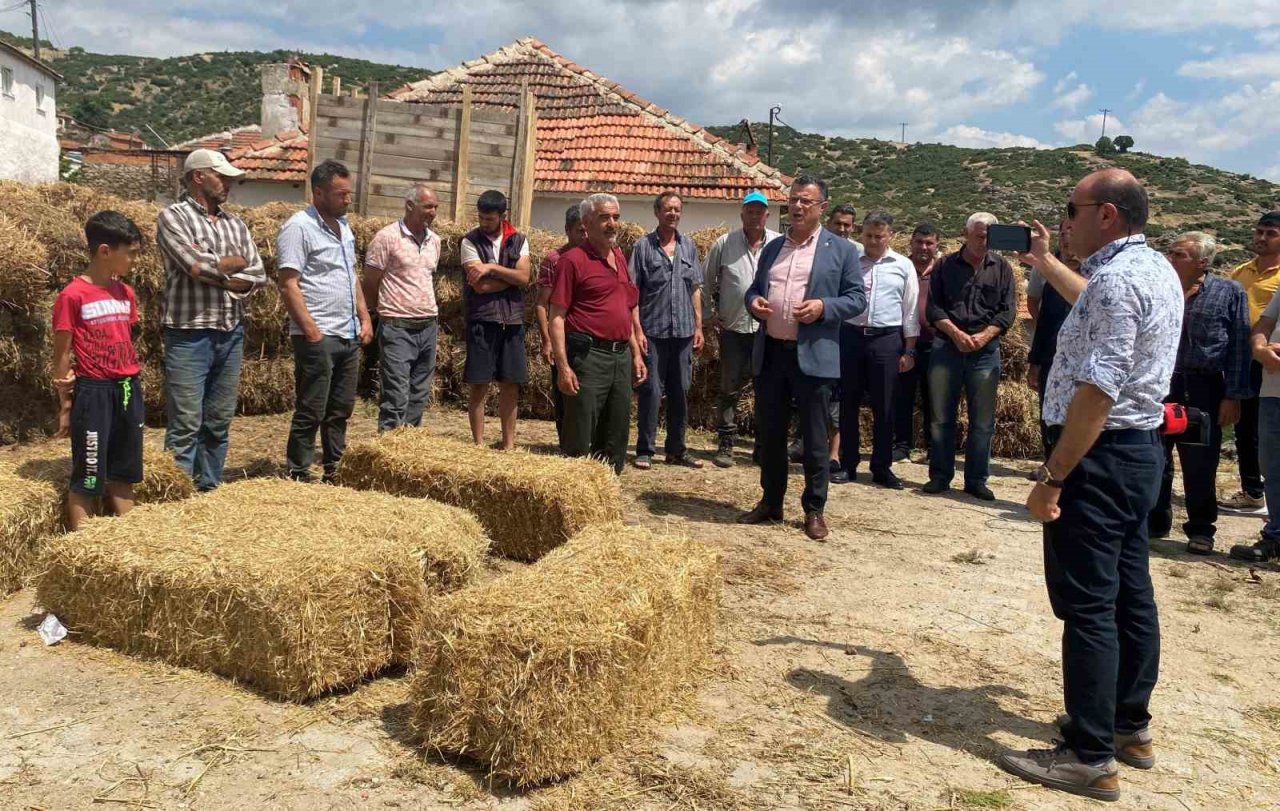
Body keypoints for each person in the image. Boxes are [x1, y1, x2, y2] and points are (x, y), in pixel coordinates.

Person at [1003, 168, 1183, 802]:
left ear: (1106, 214)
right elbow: (1094, 302)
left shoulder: (1117, 281)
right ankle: (1128, 726)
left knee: (1087, 607)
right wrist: (1045, 260)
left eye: (1071, 208)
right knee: (1130, 594)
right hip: (1138, 454)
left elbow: (1097, 391)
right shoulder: (1151, 268)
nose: (1064, 219)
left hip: (1097, 457)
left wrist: (1052, 476)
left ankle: (1089, 756)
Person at [738, 176, 866, 541]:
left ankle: (814, 509)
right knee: (771, 435)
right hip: (772, 353)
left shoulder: (841, 250)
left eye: (806, 201)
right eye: (794, 199)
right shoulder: (773, 247)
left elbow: (857, 299)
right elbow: (754, 289)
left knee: (814, 438)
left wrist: (823, 307)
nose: (797, 206)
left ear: (822, 207)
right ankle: (771, 502)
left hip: (813, 357)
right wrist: (753, 302)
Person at [155, 148, 266, 492]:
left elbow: (258, 273)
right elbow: (194, 265)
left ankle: (208, 489)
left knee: (218, 421)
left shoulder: (236, 224)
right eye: (222, 176)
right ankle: (176, 495)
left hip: (230, 331)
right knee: (186, 424)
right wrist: (229, 266)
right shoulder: (172, 217)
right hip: (189, 333)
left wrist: (215, 270)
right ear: (198, 176)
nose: (228, 183)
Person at [1149, 232, 1249, 555]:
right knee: (1156, 454)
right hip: (1161, 384)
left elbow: (1239, 345)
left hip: (1204, 387)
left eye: (1178, 254)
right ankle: (1155, 521)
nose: (1170, 258)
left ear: (1202, 262)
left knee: (1200, 462)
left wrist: (1233, 395)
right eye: (1170, 252)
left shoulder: (1229, 292)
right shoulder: (1159, 287)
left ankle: (1201, 529)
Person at [277, 160, 373, 483]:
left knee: (341, 408)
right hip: (318, 333)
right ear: (318, 192)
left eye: (349, 193)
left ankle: (335, 468)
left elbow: (351, 276)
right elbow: (288, 284)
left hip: (347, 332)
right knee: (312, 407)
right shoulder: (298, 227)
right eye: (341, 194)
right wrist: (311, 331)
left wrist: (364, 317)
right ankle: (299, 470)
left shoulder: (344, 227)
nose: (348, 199)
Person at [51, 211, 145, 530]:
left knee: (124, 473)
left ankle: (130, 539)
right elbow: (61, 354)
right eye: (130, 253)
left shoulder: (126, 293)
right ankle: (83, 544)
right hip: (94, 392)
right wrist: (66, 405)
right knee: (88, 477)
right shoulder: (72, 296)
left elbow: (123, 339)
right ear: (105, 251)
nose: (135, 260)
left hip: (128, 387)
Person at [549, 193, 648, 474]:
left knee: (616, 434)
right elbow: (557, 317)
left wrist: (636, 354)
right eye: (604, 217)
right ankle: (574, 494)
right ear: (586, 222)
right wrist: (563, 367)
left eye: (616, 217)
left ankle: (609, 492)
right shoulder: (572, 261)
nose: (612, 223)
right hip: (588, 357)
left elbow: (625, 309)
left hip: (620, 357)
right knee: (580, 434)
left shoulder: (619, 256)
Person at [923, 212, 1017, 501]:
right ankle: (940, 476)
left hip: (984, 352)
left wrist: (983, 337)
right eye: (978, 236)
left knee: (983, 421)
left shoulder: (1002, 267)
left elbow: (1007, 311)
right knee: (941, 417)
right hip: (947, 349)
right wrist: (956, 334)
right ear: (965, 234)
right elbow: (933, 308)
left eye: (988, 236)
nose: (983, 241)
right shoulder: (945, 265)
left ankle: (976, 480)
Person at [834, 212, 918, 489]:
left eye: (878, 236)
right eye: (868, 235)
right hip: (851, 336)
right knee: (848, 403)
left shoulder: (903, 265)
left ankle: (881, 467)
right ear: (861, 233)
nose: (872, 241)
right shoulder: (850, 262)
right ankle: (848, 464)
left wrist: (909, 350)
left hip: (886, 339)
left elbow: (910, 310)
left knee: (885, 405)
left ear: (890, 235)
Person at [704, 190, 780, 467]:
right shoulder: (724, 243)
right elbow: (704, 280)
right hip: (734, 329)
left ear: (767, 216)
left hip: (768, 330)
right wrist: (708, 316)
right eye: (750, 211)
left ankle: (762, 446)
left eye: (760, 212)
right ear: (742, 214)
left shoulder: (779, 244)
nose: (755, 216)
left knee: (766, 389)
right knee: (729, 388)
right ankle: (726, 443)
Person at [630, 192, 705, 469]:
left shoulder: (689, 246)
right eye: (668, 209)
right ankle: (645, 450)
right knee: (651, 391)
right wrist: (637, 331)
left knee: (680, 391)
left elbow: (695, 288)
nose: (673, 214)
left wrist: (699, 326)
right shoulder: (643, 247)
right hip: (653, 332)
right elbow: (632, 293)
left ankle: (676, 450)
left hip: (683, 332)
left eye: (677, 209)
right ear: (657, 212)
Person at [363, 184, 442, 431]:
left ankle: (410, 445)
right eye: (428, 206)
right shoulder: (386, 238)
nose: (433, 212)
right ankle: (388, 441)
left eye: (435, 207)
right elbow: (370, 281)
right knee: (395, 393)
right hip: (397, 325)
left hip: (428, 325)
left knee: (419, 393)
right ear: (409, 206)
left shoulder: (434, 241)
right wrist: (375, 314)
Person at [461, 189, 532, 450]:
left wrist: (491, 268)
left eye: (489, 219)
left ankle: (509, 444)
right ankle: (479, 444)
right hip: (483, 320)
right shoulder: (469, 241)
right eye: (481, 218)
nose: (484, 223)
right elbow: (479, 287)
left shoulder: (519, 240)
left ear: (503, 216)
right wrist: (511, 279)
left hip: (512, 321)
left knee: (510, 384)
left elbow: (525, 277)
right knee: (479, 384)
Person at [1220, 212, 1280, 515]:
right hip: (1240, 357)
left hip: (1270, 361)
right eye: (1259, 231)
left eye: (1271, 233)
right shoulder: (1241, 271)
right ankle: (1253, 491)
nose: (1262, 238)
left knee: (1266, 427)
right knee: (1244, 426)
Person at [1231, 278, 1280, 562]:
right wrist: (1260, 349)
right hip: (1272, 390)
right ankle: (1275, 537)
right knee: (1273, 469)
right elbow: (1263, 325)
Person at [1027, 220, 1082, 456]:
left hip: (1083, 358)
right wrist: (1035, 362)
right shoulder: (1045, 269)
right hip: (1051, 353)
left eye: (1072, 235)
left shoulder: (1096, 270)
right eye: (1062, 236)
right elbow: (1038, 311)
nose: (1067, 241)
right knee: (1049, 413)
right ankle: (1050, 462)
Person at [892, 223, 940, 462]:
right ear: (911, 243)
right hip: (903, 343)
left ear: (936, 245)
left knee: (934, 398)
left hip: (936, 344)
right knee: (902, 397)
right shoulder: (901, 267)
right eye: (919, 242)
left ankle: (934, 449)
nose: (923, 247)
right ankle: (902, 446)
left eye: (929, 243)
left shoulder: (943, 270)